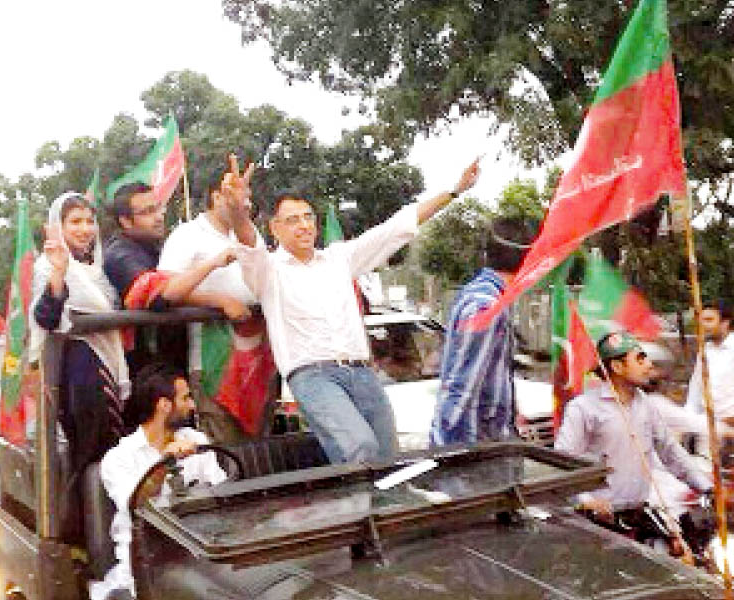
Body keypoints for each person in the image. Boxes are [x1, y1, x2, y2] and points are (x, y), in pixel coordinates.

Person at [227, 157, 482, 464]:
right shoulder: (268, 270)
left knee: (388, 459)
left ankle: (386, 513)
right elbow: (248, 241)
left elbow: (396, 228)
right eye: (293, 220)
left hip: (362, 372)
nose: (304, 225)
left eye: (308, 216)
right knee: (359, 449)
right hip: (313, 377)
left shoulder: (339, 259)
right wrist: (238, 210)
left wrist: (454, 191)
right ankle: (357, 512)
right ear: (275, 228)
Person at [30, 192, 130, 542]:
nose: (85, 229)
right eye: (75, 221)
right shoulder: (48, 265)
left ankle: (115, 536)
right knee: (90, 455)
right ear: (58, 226)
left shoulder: (95, 270)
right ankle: (86, 541)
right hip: (81, 373)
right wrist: (59, 273)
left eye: (89, 221)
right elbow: (46, 317)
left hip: (108, 367)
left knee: (112, 452)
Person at [555, 331, 711, 553]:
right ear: (617, 367)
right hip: (596, 523)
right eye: (640, 359)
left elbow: (671, 453)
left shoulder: (646, 404)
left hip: (638, 515)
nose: (648, 365)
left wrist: (706, 488)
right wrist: (586, 500)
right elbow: (562, 463)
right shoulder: (583, 409)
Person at [159, 156, 276, 443]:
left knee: (259, 450)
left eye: (247, 197)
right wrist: (218, 301)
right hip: (215, 363)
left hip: (257, 358)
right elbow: (164, 291)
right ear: (216, 196)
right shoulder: (187, 235)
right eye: (236, 196)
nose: (244, 204)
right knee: (227, 451)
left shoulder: (249, 233)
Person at [93, 362, 226, 600]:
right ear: (164, 405)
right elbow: (137, 507)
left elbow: (224, 495)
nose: (193, 405)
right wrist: (164, 465)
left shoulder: (196, 440)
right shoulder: (118, 459)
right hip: (147, 562)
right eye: (186, 398)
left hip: (203, 554)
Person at [103, 183, 247, 380]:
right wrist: (219, 294)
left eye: (159, 207)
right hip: (144, 370)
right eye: (148, 212)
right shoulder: (121, 256)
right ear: (126, 221)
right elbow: (161, 294)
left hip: (170, 361)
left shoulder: (153, 247)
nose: (159, 216)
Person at [429, 217, 537, 447]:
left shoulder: (496, 299)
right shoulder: (485, 305)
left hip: (488, 438)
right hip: (472, 446)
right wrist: (447, 449)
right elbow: (464, 383)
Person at [686, 300, 734, 422]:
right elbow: (695, 390)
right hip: (707, 425)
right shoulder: (705, 350)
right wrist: (688, 420)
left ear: (725, 322)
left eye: (709, 320)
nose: (703, 325)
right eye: (701, 321)